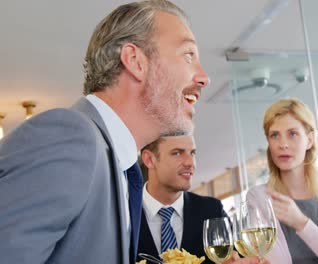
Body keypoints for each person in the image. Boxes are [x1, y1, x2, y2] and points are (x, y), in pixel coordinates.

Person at [0, 1, 212, 263]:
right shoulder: (70, 136)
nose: (204, 77)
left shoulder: (121, 168)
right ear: (135, 61)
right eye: (188, 55)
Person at [247, 98, 318, 264]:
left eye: (292, 134)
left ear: (310, 140)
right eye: (275, 135)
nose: (283, 144)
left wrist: (302, 223)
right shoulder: (259, 198)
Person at [138, 134, 229, 263]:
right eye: (177, 153)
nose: (190, 163)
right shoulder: (123, 215)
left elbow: (235, 258)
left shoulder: (212, 211)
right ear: (149, 159)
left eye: (192, 153)